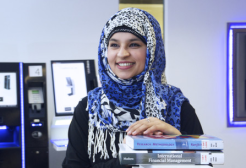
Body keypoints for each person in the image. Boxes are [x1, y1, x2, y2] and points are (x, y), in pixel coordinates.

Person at [62, 7, 203, 168]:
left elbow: (205, 164)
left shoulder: (176, 105)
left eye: (134, 44)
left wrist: (178, 141)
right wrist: (132, 158)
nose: (122, 53)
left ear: (151, 51)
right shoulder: (90, 108)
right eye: (114, 45)